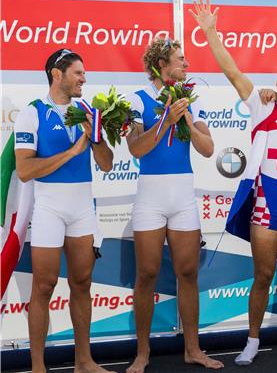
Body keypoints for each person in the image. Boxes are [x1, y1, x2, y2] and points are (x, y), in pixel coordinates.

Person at [189, 0, 277, 365]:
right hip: (268, 205)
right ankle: (252, 341)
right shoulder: (263, 106)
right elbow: (233, 72)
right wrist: (210, 32)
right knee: (263, 276)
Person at [125, 38, 223, 372]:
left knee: (188, 273)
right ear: (162, 64)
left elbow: (208, 148)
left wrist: (185, 121)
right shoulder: (136, 99)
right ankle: (142, 353)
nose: (188, 64)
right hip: (150, 196)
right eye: (181, 59)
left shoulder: (190, 99)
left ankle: (193, 349)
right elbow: (136, 149)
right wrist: (166, 120)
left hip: (182, 195)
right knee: (147, 274)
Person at [14, 49, 114, 373]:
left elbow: (107, 164)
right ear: (57, 74)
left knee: (82, 282)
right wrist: (72, 152)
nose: (84, 79)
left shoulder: (86, 112)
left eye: (84, 74)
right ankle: (38, 367)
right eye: (78, 73)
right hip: (49, 209)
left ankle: (83, 361)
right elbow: (26, 170)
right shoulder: (33, 113)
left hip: (82, 207)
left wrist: (95, 135)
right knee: (43, 286)